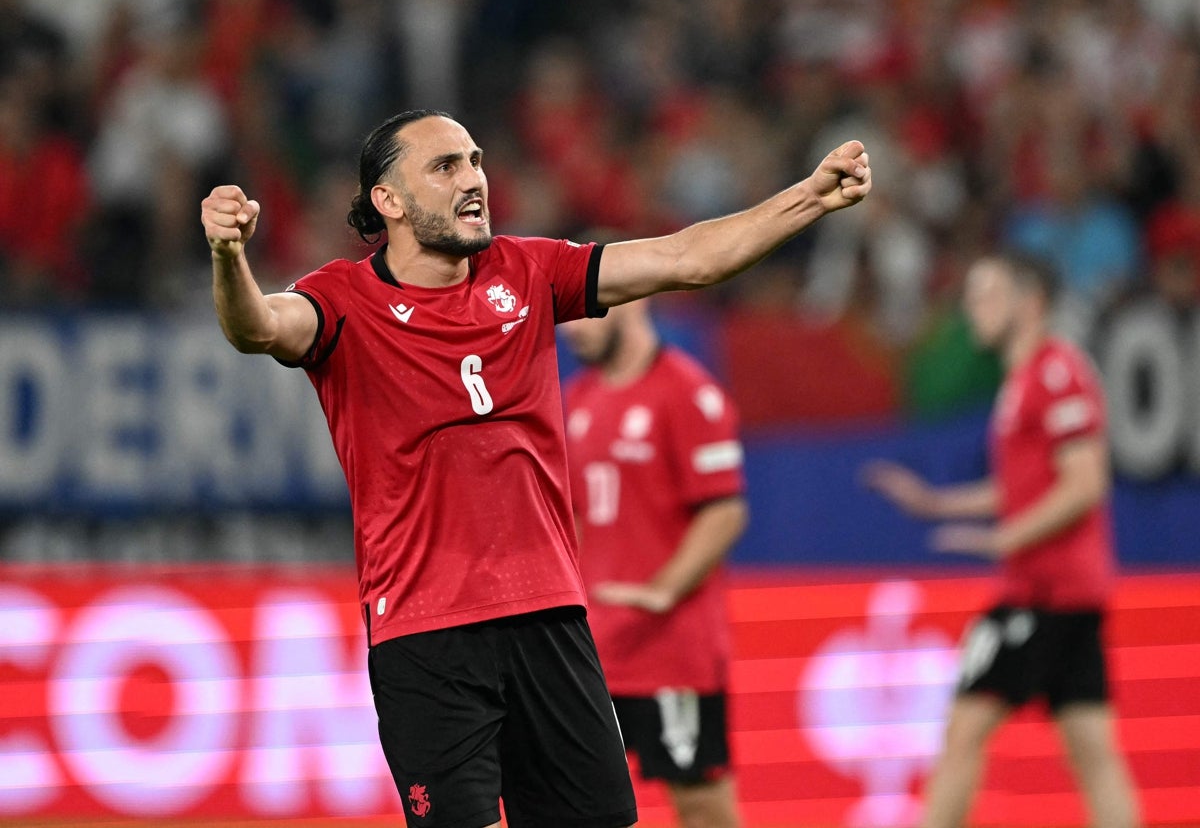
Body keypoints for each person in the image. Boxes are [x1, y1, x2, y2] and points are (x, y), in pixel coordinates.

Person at [200, 108, 871, 828]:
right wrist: (228, 257)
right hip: (427, 636)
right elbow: (258, 328)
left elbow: (686, 258)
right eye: (445, 166)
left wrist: (809, 198)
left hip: (549, 618)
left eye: (476, 160)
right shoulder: (342, 300)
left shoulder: (528, 271)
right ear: (387, 200)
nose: (473, 180)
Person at [863, 252, 1141, 828]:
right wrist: (937, 503)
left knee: (962, 734)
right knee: (1093, 752)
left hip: (1041, 592)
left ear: (1030, 301)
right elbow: (1024, 486)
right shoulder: (1023, 381)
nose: (972, 308)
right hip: (1070, 594)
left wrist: (1005, 539)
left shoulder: (1054, 371)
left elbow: (1085, 482)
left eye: (986, 293)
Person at [561, 299, 747, 828]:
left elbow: (726, 510)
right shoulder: (575, 401)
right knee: (577, 803)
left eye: (584, 311)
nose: (572, 330)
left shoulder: (687, 392)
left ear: (632, 300)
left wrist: (663, 590)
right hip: (594, 652)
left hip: (672, 652)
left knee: (701, 806)